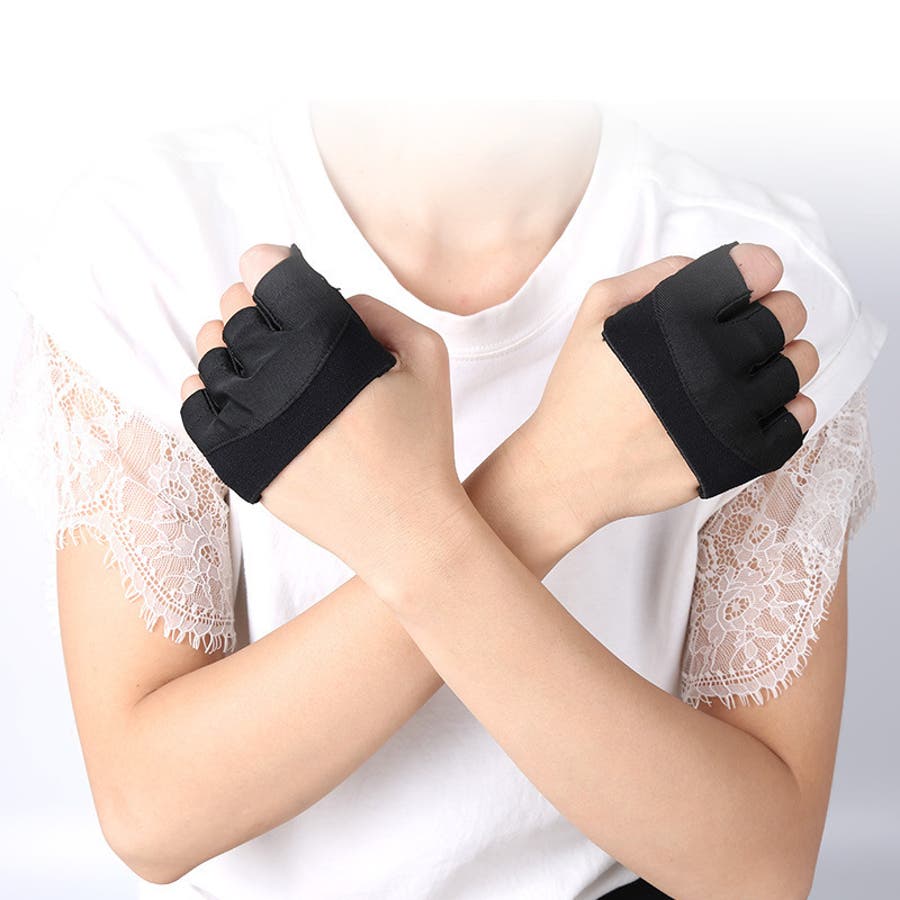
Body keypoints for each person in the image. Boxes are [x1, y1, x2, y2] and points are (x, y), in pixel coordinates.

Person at [0, 99, 886, 899]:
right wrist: (550, 486)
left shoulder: (744, 288)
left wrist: (457, 515)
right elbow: (151, 815)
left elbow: (760, 870)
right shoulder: (152, 237)